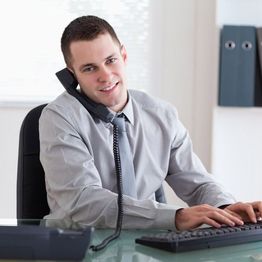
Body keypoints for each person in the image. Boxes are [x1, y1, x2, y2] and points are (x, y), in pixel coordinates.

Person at [39, 15, 262, 231]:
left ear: (124, 55)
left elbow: (198, 184)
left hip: (142, 245)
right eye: (89, 68)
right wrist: (175, 216)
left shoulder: (161, 115)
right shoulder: (59, 118)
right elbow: (83, 202)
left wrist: (226, 208)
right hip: (77, 246)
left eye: (110, 60)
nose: (105, 76)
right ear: (72, 74)